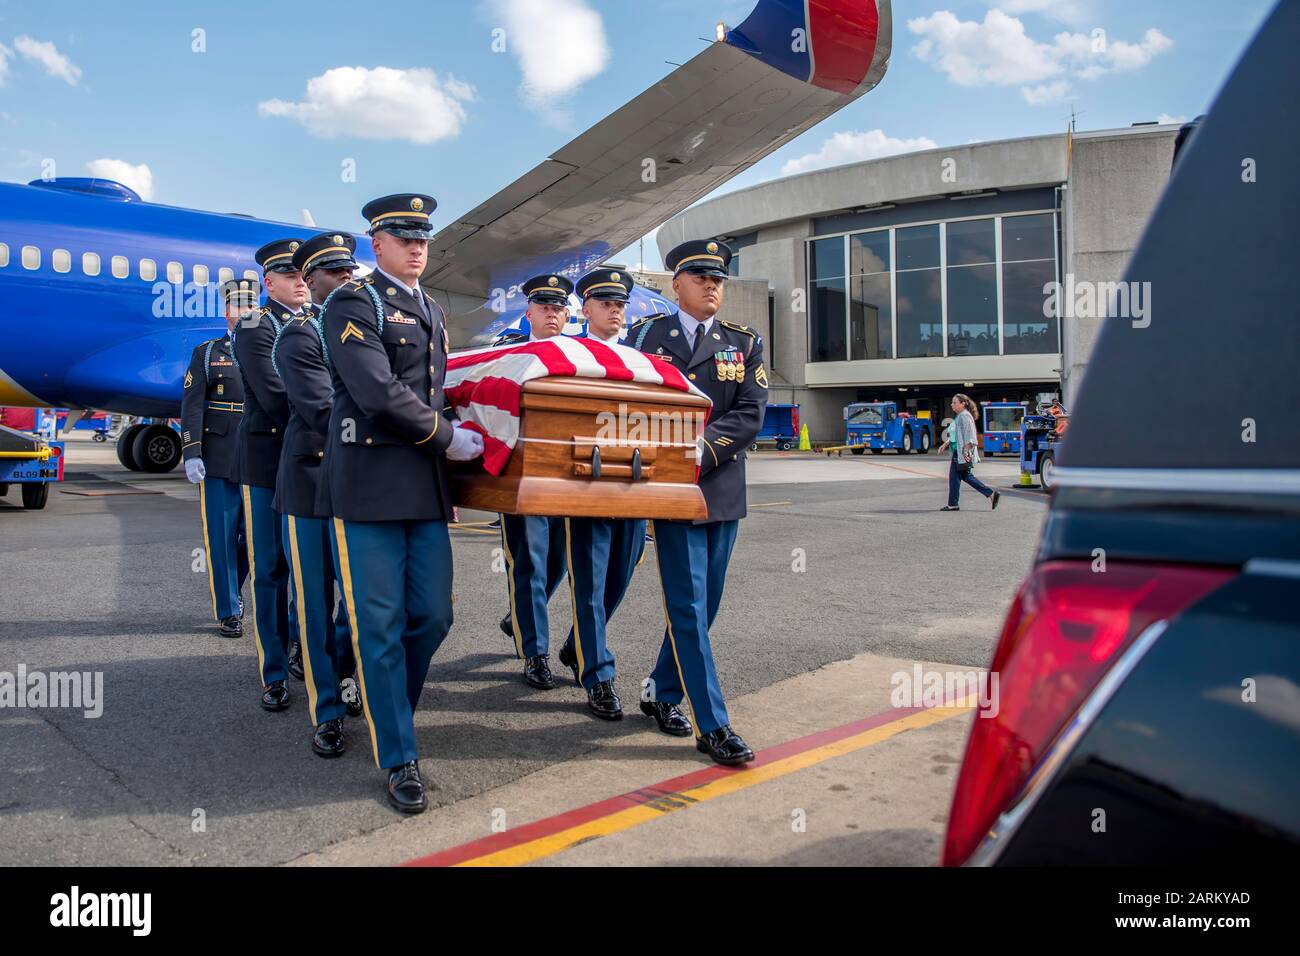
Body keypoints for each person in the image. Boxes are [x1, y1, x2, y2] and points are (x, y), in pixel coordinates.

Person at [318, 193, 483, 813]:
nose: (418, 246)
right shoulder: (352, 302)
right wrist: (446, 437)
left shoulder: (432, 310)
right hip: (371, 480)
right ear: (376, 243)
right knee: (380, 622)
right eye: (403, 235)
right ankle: (398, 752)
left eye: (423, 237)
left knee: (432, 615)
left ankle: (374, 698)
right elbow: (377, 391)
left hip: (423, 486)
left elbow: (435, 390)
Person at [625, 240, 767, 765]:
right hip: (669, 488)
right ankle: (713, 724)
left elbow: (751, 413)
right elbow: (629, 404)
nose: (713, 286)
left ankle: (661, 692)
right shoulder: (645, 337)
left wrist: (700, 452)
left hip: (720, 485)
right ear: (676, 284)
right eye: (702, 277)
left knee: (705, 605)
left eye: (719, 279)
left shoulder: (743, 342)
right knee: (686, 601)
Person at [271, 232, 362, 757]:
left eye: (349, 270)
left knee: (355, 599)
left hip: (353, 481)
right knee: (313, 600)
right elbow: (324, 410)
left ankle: (346, 670)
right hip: (310, 483)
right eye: (333, 272)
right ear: (309, 281)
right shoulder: (299, 338)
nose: (345, 279)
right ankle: (325, 710)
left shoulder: (359, 330)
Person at [554, 268, 645, 720]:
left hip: (635, 480)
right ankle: (598, 675)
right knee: (588, 581)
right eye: (606, 302)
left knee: (620, 576)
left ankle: (577, 645)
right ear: (585, 309)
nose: (615, 309)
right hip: (585, 479)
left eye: (620, 303)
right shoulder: (567, 353)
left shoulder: (641, 358)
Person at [234, 239, 308, 711]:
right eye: (290, 274)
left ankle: (303, 649)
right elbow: (276, 394)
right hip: (268, 463)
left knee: (309, 570)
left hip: (304, 459)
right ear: (269, 282)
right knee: (270, 570)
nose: (301, 280)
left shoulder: (317, 322)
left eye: (304, 273)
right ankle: (274, 669)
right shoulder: (255, 326)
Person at [496, 274, 572, 690]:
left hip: (566, 474)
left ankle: (520, 615)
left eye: (558, 307)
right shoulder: (508, 349)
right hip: (521, 474)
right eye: (543, 307)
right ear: (528, 313)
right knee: (530, 562)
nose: (551, 314)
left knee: (557, 560)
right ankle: (536, 653)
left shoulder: (578, 354)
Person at [180, 279, 252, 638]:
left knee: (252, 538)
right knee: (223, 535)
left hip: (258, 454)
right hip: (219, 453)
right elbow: (191, 406)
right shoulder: (208, 353)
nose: (244, 313)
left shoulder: (271, 349)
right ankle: (229, 609)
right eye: (239, 306)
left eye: (250, 307)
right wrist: (191, 451)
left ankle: (234, 589)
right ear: (227, 312)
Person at [941, 393, 1000, 512]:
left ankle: (953, 504)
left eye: (954, 402)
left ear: (963, 404)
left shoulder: (964, 416)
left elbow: (972, 437)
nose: (952, 404)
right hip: (959, 451)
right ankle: (990, 494)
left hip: (961, 452)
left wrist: (966, 451)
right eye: (952, 402)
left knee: (955, 477)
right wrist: (946, 443)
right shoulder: (960, 416)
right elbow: (955, 435)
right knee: (964, 476)